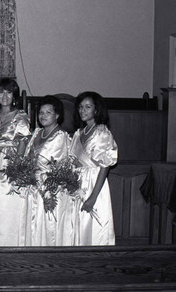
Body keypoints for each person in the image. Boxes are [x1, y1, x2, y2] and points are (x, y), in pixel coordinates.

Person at [0, 77, 31, 246]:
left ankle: (7, 242)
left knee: (7, 204)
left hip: (9, 162)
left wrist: (17, 166)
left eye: (9, 92)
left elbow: (23, 142)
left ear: (14, 96)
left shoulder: (20, 116)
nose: (5, 96)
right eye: (2, 92)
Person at [70, 91, 117, 245]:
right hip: (78, 183)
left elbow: (105, 167)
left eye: (87, 107)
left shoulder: (101, 132)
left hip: (94, 182)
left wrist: (93, 197)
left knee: (93, 226)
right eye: (81, 107)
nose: (83, 110)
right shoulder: (78, 133)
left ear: (96, 110)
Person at [24, 96, 72, 246]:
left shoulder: (60, 137)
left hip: (50, 189)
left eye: (48, 112)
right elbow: (28, 158)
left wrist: (45, 190)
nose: (43, 116)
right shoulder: (37, 132)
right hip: (34, 187)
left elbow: (51, 166)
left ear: (57, 115)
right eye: (41, 112)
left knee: (49, 229)